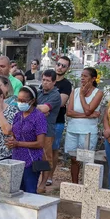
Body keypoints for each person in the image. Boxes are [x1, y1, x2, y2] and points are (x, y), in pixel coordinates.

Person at [65, 67, 103, 184]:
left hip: (88, 131)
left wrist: (82, 95)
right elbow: (69, 112)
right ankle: (75, 185)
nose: (82, 78)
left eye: (85, 76)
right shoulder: (74, 91)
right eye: (81, 75)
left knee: (87, 159)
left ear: (93, 79)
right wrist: (89, 115)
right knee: (74, 159)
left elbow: (88, 109)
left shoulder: (98, 93)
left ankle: (87, 186)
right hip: (73, 129)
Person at [6, 86, 47, 193]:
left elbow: (40, 143)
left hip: (31, 161)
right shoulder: (17, 115)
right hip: (16, 160)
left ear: (32, 100)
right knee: (16, 191)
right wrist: (11, 141)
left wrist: (18, 143)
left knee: (29, 192)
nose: (20, 103)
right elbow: (15, 134)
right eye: (18, 100)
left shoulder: (39, 117)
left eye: (23, 100)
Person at [46, 56, 73, 186]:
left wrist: (48, 103)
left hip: (57, 121)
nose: (60, 67)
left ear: (67, 68)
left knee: (53, 149)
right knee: (42, 148)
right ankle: (42, 174)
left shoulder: (66, 85)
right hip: (43, 119)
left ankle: (50, 176)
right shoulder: (48, 79)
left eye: (64, 66)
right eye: (59, 64)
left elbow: (61, 102)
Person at [36, 70, 63, 193]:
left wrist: (36, 108)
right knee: (37, 156)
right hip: (36, 129)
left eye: (48, 81)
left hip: (47, 130)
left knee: (46, 157)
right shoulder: (39, 93)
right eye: (44, 80)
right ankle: (37, 180)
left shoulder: (55, 95)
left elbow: (45, 108)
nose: (45, 83)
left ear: (54, 82)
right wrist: (39, 110)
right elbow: (38, 108)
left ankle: (43, 182)